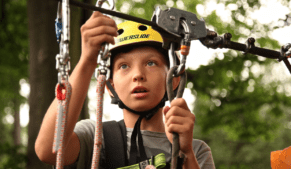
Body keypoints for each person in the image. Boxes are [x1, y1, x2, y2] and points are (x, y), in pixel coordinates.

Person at [35, 11, 215, 169]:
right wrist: (87, 60)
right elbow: (48, 150)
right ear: (110, 86)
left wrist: (186, 155)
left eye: (151, 63)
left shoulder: (196, 151)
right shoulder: (96, 138)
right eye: (123, 66)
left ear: (173, 80)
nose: (138, 74)